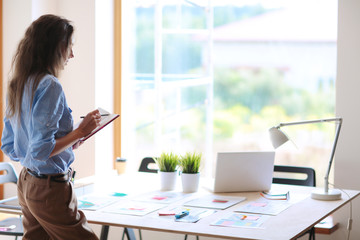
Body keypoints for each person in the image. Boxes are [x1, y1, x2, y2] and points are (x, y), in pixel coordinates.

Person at [1, 14, 100, 240]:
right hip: (49, 189)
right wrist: (79, 132)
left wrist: (69, 142)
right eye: (69, 47)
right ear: (55, 47)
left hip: (27, 183)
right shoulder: (50, 85)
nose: (71, 55)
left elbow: (11, 146)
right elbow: (40, 150)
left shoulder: (18, 83)